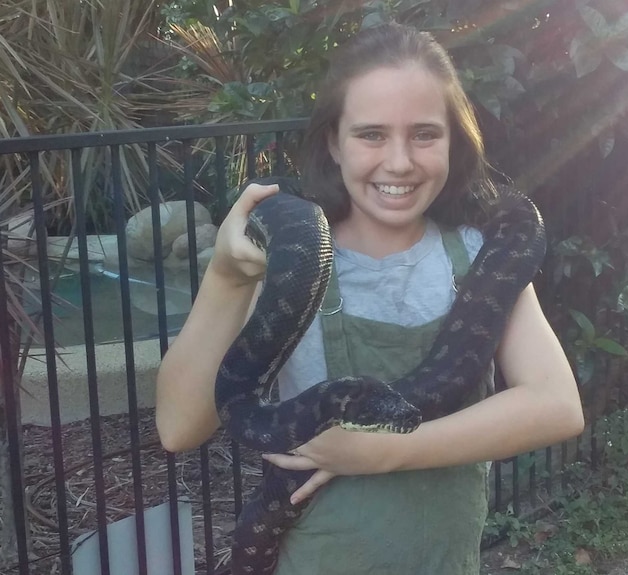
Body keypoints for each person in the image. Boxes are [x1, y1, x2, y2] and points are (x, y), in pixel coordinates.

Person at [156, 22, 583, 574]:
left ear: (455, 140)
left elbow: (557, 405)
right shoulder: (276, 260)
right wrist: (226, 278)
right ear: (334, 141)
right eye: (372, 134)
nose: (400, 162)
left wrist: (386, 451)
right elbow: (178, 428)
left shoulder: (482, 255)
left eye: (425, 134)